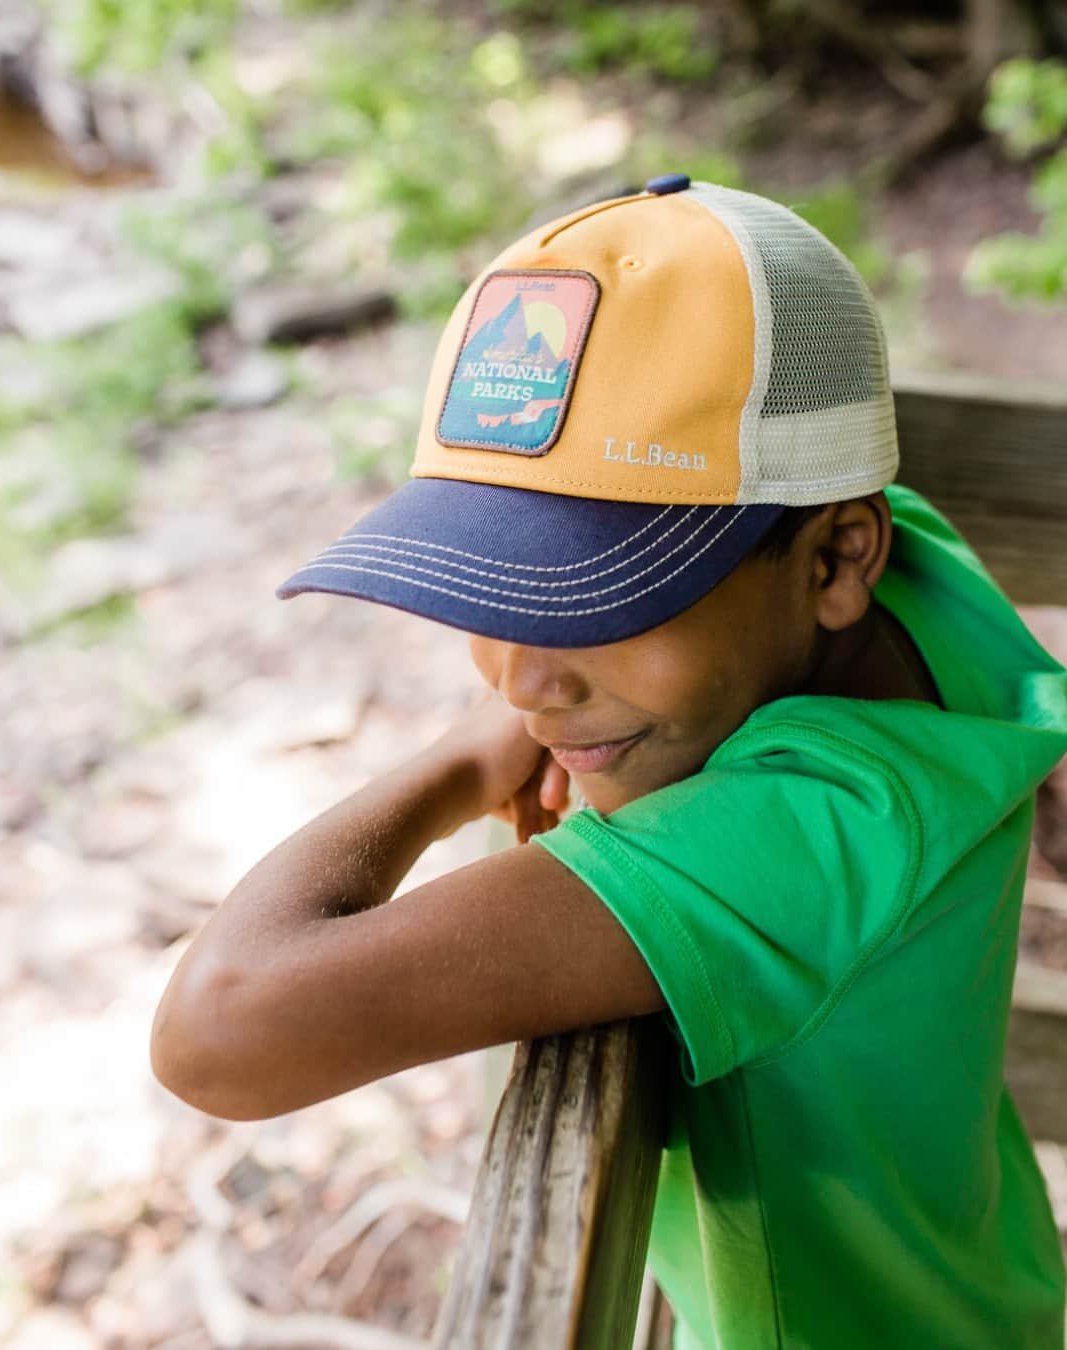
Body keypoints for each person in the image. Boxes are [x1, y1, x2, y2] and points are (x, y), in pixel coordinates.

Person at [150, 177, 1067, 1349]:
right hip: (987, 1284)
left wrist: (455, 763)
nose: (523, 684)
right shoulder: (914, 578)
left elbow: (219, 1032)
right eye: (494, 587)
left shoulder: (806, 831)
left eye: (607, 597)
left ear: (837, 557)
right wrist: (595, 683)